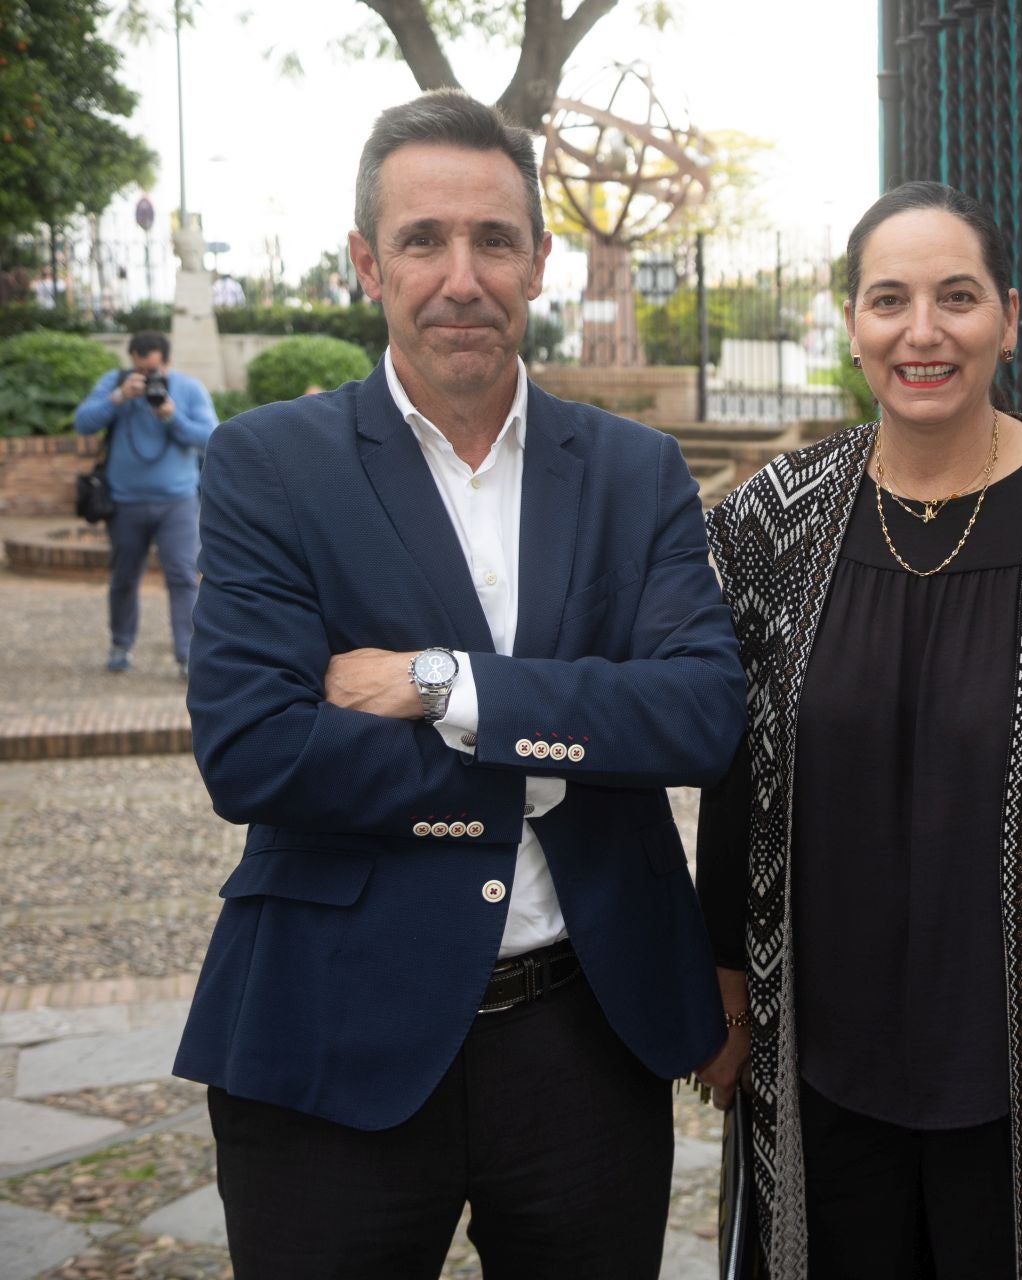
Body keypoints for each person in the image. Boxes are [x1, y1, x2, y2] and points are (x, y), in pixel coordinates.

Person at [174, 89, 746, 1279]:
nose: (461, 274)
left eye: (493, 240)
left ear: (538, 260)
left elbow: (698, 714)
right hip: (334, 1031)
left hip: (586, 1036)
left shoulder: (636, 473)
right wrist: (561, 745)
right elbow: (258, 750)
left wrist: (446, 685)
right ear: (365, 264)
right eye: (423, 239)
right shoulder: (269, 467)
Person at [696, 180, 1022, 1278]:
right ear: (851, 322)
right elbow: (740, 780)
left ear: (1009, 316)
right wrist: (728, 987)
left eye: (957, 297)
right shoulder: (774, 524)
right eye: (889, 299)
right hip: (822, 1066)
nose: (921, 331)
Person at [73, 332, 218, 677]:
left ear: (166, 362)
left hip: (177, 501)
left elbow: (212, 435)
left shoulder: (188, 388)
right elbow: (82, 423)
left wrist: (172, 416)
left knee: (183, 577)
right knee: (123, 577)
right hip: (125, 502)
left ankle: (187, 655)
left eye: (154, 371)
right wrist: (118, 398)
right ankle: (120, 645)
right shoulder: (116, 384)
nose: (147, 377)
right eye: (140, 369)